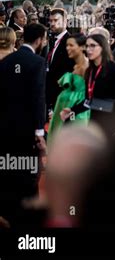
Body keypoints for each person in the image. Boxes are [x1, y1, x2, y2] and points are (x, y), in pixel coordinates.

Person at [0, 23, 48, 226]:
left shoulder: (6, 61)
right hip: (27, 131)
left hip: (6, 129)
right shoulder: (37, 62)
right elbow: (38, 99)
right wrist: (39, 132)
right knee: (29, 174)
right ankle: (29, 219)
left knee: (9, 170)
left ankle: (9, 213)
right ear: (40, 39)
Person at [61, 34, 115, 137]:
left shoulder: (114, 68)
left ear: (103, 47)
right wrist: (72, 111)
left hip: (112, 123)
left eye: (93, 46)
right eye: (87, 46)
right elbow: (88, 101)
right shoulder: (90, 71)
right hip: (95, 123)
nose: (88, 49)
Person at [48, 34, 90, 142]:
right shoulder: (75, 65)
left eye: (71, 45)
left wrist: (74, 111)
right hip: (64, 108)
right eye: (67, 45)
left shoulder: (86, 67)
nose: (67, 48)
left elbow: (91, 95)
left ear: (82, 47)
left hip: (76, 112)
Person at [46, 8, 75, 113]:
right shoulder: (52, 40)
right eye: (51, 21)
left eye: (56, 20)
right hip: (52, 97)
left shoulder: (70, 42)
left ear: (65, 21)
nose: (52, 24)